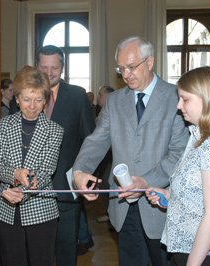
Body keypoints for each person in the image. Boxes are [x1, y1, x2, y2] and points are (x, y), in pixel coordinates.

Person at [73, 36, 189, 266]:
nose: (126, 75)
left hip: (161, 205)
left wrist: (145, 181)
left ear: (150, 62)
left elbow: (179, 153)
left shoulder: (175, 98)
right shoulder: (115, 101)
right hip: (123, 206)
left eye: (131, 67)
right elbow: (96, 141)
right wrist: (80, 170)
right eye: (121, 68)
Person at [146, 66, 210, 266]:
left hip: (205, 257)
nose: (179, 105)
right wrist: (167, 194)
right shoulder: (197, 137)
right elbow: (197, 195)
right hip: (185, 251)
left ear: (207, 99)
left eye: (185, 99)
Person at [0, 65, 64, 266]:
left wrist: (24, 191)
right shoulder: (4, 125)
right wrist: (14, 173)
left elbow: (47, 171)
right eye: (26, 99)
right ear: (17, 99)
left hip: (41, 210)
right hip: (6, 210)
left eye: (38, 99)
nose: (32, 106)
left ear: (45, 100)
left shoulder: (54, 130)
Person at [35, 45, 96, 266]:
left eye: (55, 67)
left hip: (66, 186)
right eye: (44, 67)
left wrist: (83, 176)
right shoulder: (24, 95)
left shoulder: (77, 95)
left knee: (66, 248)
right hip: (32, 189)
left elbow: (89, 141)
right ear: (36, 66)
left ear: (62, 67)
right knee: (36, 249)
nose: (50, 73)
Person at [94, 85, 115, 224]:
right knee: (104, 183)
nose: (98, 97)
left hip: (110, 154)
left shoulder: (113, 111)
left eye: (101, 94)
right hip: (102, 154)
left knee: (108, 183)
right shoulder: (101, 112)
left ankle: (112, 215)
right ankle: (109, 213)